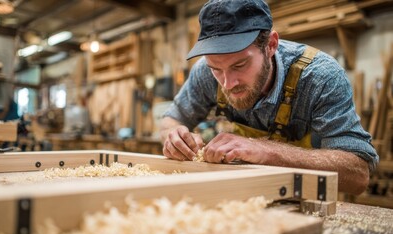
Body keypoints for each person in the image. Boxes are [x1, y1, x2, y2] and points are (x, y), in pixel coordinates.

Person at [160, 0, 378, 195]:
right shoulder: (205, 72)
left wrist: (265, 150)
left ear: (271, 45)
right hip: (242, 198)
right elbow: (171, 120)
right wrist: (174, 136)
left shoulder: (321, 77)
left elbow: (358, 174)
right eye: (216, 69)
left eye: (240, 65)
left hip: (306, 199)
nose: (227, 83)